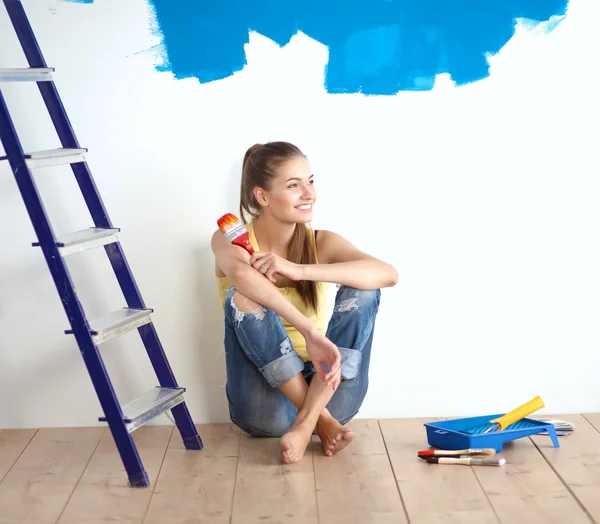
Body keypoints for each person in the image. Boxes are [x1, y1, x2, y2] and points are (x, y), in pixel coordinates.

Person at [211, 141, 398, 463]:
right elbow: (242, 279)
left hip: (330, 385)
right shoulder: (231, 242)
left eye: (310, 181)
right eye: (294, 185)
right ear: (263, 196)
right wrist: (309, 331)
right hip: (265, 405)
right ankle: (319, 421)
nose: (309, 194)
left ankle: (310, 419)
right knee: (243, 296)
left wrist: (298, 270)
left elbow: (388, 274)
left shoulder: (322, 242)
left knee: (366, 289)